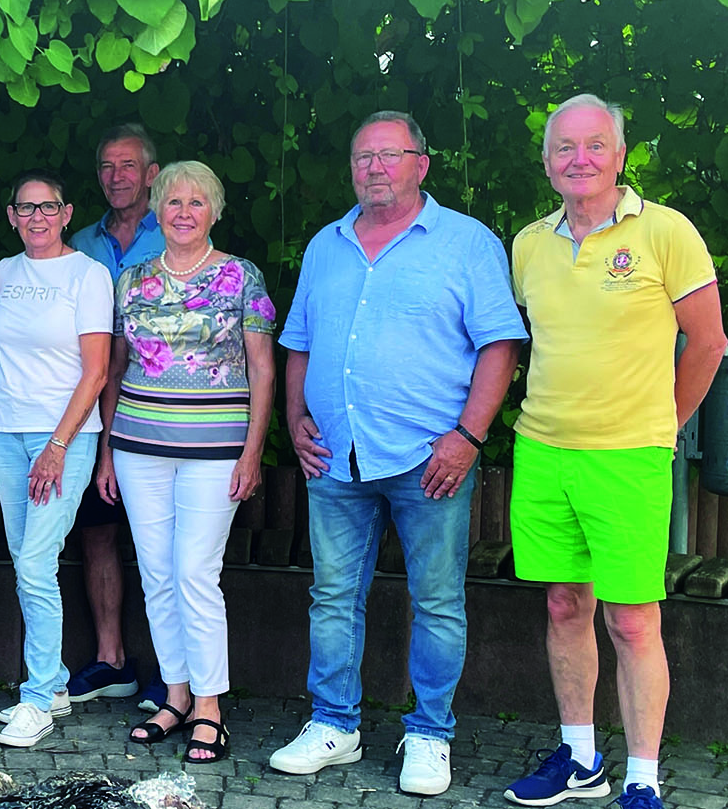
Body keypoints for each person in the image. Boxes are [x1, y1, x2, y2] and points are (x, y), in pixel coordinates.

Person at [270, 111, 525, 796]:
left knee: (437, 601)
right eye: (362, 158)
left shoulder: (467, 242)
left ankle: (431, 734)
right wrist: (294, 417)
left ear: (422, 162)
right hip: (336, 456)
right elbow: (298, 341)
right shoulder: (327, 244)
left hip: (430, 458)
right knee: (331, 597)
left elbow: (500, 343)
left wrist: (469, 437)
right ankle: (334, 725)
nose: (374, 168)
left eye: (389, 155)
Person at [503, 94, 725, 809]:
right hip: (543, 449)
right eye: (564, 147)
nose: (580, 159)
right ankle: (580, 759)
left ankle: (643, 779)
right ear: (546, 161)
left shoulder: (666, 232)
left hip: (628, 455)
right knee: (565, 605)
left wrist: (664, 425)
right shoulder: (529, 243)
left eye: (595, 145)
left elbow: (711, 342)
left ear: (621, 154)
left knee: (632, 619)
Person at [95, 161, 276, 763]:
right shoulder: (134, 279)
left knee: (197, 573)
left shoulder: (240, 277)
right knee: (156, 574)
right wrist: (106, 452)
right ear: (157, 209)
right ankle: (174, 696)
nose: (183, 213)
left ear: (214, 212)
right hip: (139, 446)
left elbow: (262, 368)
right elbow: (115, 369)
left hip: (213, 451)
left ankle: (210, 707)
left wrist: (253, 451)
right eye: (173, 202)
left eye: (196, 203)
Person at [0, 171, 114, 748]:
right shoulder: (3, 274)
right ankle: (57, 682)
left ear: (66, 213)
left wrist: (59, 445)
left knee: (36, 563)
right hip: (6, 431)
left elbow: (97, 371)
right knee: (25, 559)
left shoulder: (89, 275)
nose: (37, 217)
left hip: (62, 438)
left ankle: (36, 700)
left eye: (49, 207)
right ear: (12, 216)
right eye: (25, 208)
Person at [65, 123, 168, 706]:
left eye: (128, 166)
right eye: (107, 166)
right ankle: (111, 661)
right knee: (99, 533)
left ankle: (167, 671)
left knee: (166, 545)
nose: (117, 177)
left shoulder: (179, 230)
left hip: (164, 410)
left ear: (152, 173)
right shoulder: (78, 242)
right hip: (93, 408)